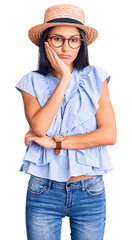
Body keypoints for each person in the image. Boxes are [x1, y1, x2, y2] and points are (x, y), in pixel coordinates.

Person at [15, 4, 117, 240]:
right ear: (46, 43)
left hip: (89, 191)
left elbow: (109, 135)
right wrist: (65, 78)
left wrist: (55, 143)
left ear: (81, 44)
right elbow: (39, 127)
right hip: (43, 191)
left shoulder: (96, 78)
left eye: (73, 40)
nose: (65, 47)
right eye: (58, 39)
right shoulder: (31, 81)